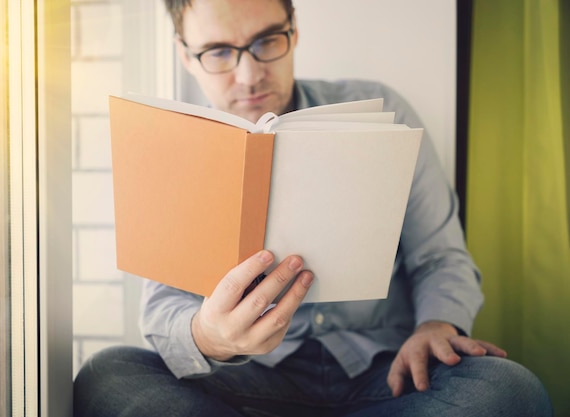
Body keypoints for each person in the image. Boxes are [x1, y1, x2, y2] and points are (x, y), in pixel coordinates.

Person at [73, 0, 553, 416]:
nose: (249, 74)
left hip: (388, 376)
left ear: (294, 29)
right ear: (186, 55)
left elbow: (441, 256)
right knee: (107, 376)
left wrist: (436, 326)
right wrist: (210, 338)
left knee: (510, 391)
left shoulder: (384, 113)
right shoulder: (176, 144)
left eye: (267, 41)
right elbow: (162, 308)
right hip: (244, 383)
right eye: (218, 52)